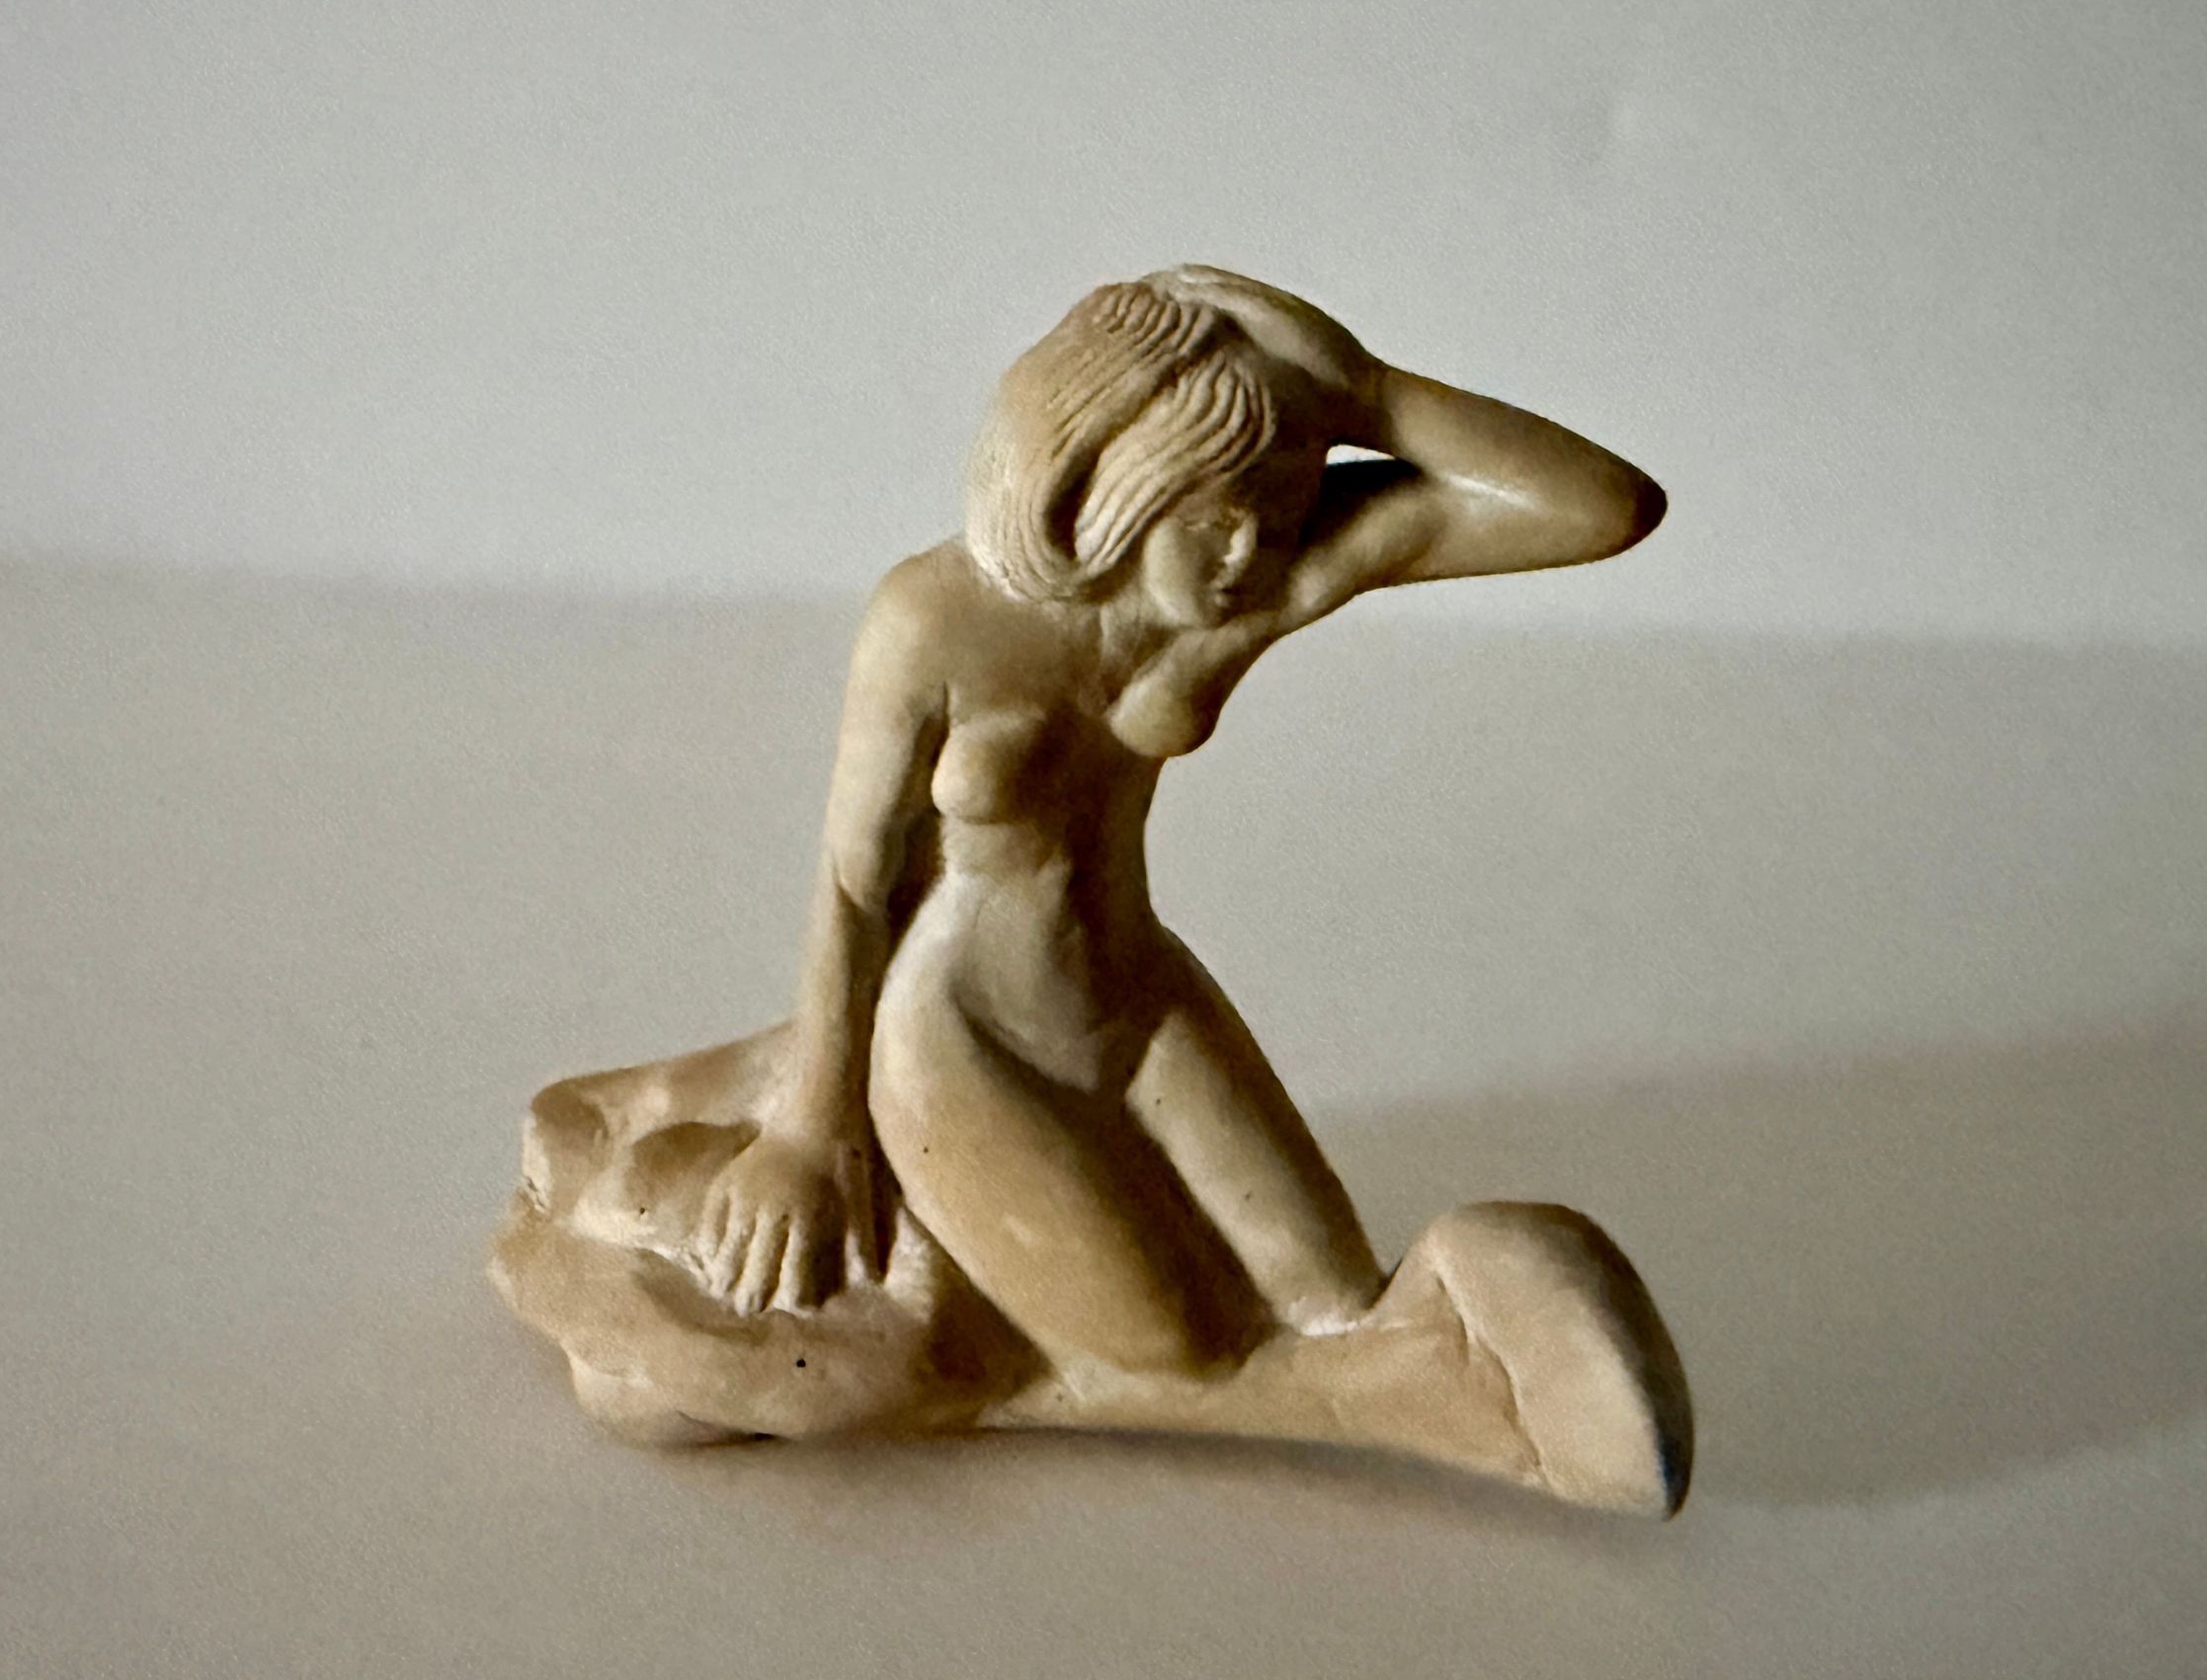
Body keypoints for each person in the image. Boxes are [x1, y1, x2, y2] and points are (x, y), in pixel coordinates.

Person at [502, 267, 1685, 1508]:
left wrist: (1364, 391)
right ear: (1115, 484)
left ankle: (1456, 1355)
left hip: (1139, 1000)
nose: (1253, 546)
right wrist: (809, 1129)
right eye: (1217, 513)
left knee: (1328, 1295)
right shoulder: (935, 620)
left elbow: (1602, 506)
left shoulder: (1241, 595)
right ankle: (1464, 1408)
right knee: (1174, 1347)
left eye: (1281, 508)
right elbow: (855, 883)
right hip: (965, 1041)